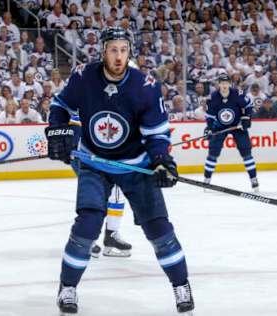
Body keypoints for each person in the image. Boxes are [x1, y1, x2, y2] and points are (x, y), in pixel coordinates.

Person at [45, 27, 194, 314]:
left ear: (129, 52)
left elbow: (157, 135)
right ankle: (68, 288)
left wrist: (162, 161)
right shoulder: (84, 76)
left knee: (159, 228)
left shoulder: (145, 86)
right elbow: (60, 105)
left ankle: (181, 285)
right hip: (93, 162)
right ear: (103, 51)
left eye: (123, 50)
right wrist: (59, 131)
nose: (118, 56)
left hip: (136, 165)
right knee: (87, 225)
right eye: (113, 49)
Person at [68, 115, 133, 258]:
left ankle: (111, 235)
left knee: (116, 192)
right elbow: (74, 126)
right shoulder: (82, 97)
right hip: (85, 157)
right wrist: (72, 146)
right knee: (95, 195)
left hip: (106, 156)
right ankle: (87, 237)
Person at [203, 73, 259, 192]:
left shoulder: (237, 94)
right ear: (218, 84)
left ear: (229, 84)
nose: (224, 85)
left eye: (226, 83)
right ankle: (206, 181)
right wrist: (209, 128)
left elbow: (249, 106)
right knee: (213, 152)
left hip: (237, 126)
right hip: (219, 126)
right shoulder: (213, 97)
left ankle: (254, 179)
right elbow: (210, 116)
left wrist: (246, 118)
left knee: (246, 152)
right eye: (222, 83)